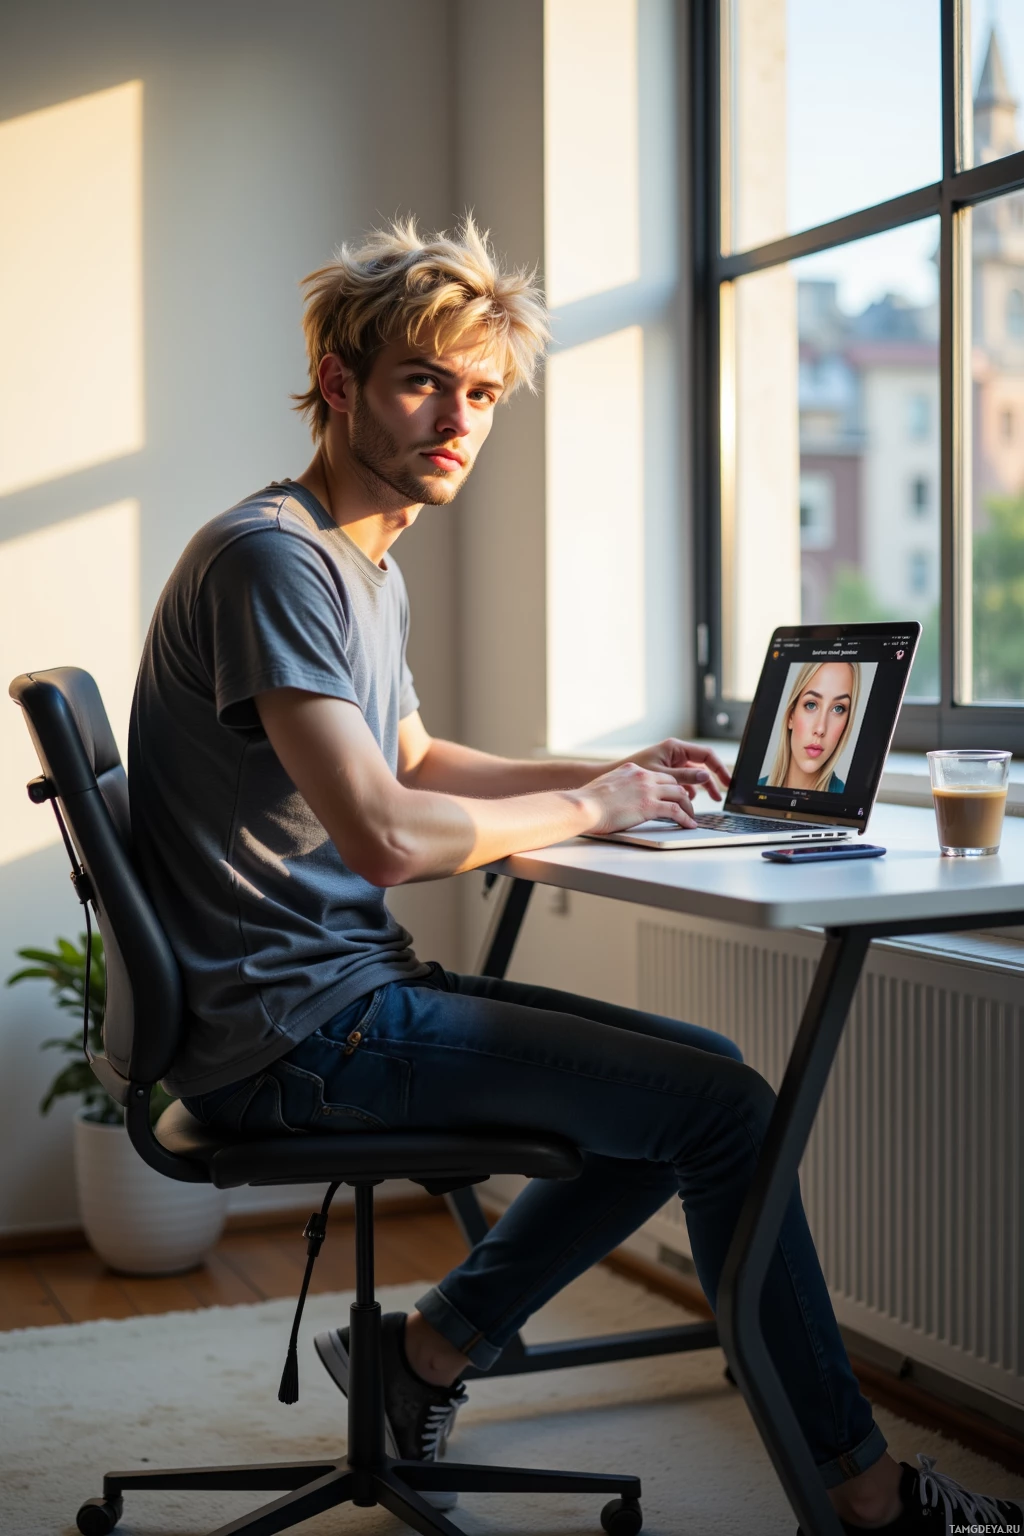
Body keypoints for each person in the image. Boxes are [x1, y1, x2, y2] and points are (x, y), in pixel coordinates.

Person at [128, 217, 1022, 1535]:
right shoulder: (278, 557)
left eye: (482, 393)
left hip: (314, 1003)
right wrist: (592, 804)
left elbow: (416, 756)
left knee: (699, 1087)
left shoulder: (357, 558)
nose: (460, 420)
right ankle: (868, 1497)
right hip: (298, 1033)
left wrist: (616, 773)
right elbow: (383, 834)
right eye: (425, 381)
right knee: (722, 1112)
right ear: (337, 381)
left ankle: (424, 1357)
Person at [758, 660, 860, 794]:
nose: (820, 729)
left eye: (838, 709)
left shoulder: (847, 798)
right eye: (811, 705)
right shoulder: (755, 790)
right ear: (791, 716)